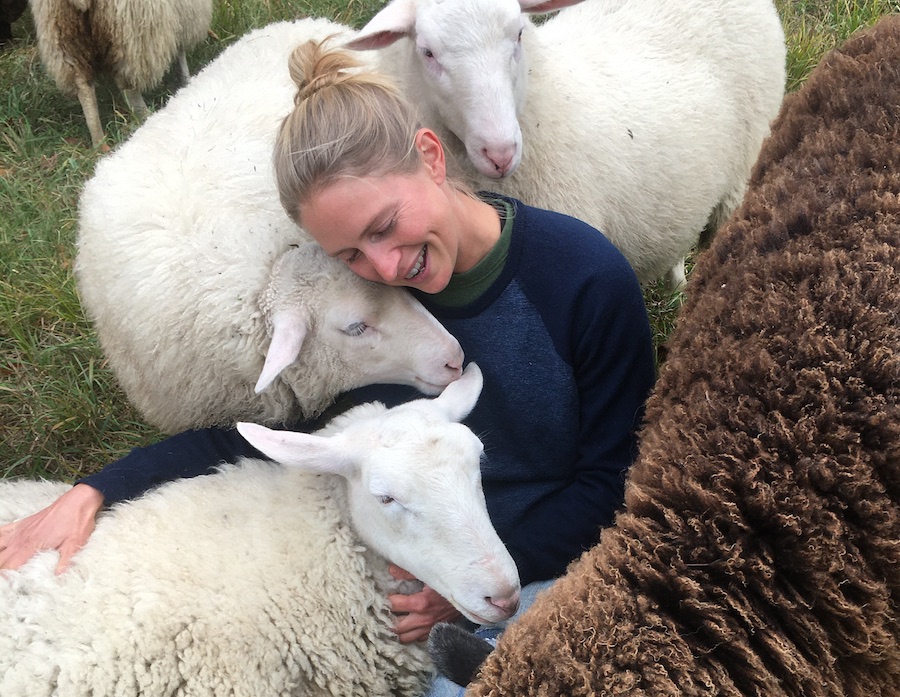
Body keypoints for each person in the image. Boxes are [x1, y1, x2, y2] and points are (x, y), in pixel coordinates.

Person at [0, 39, 655, 694]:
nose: (388, 266)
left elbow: (617, 478)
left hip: (560, 557)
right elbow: (266, 433)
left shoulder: (583, 278)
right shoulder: (367, 319)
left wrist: (475, 582)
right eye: (351, 254)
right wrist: (96, 488)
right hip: (427, 557)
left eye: (387, 223)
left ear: (431, 157)